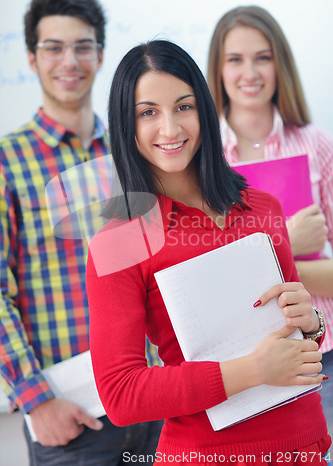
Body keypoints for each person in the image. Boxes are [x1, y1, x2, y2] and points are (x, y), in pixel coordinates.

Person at [86, 40, 331, 465]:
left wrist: (311, 321)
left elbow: (300, 342)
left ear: (204, 109)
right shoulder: (119, 241)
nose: (170, 128)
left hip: (304, 443)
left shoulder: (263, 207)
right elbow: (121, 394)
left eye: (184, 107)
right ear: (126, 125)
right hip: (207, 454)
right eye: (148, 113)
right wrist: (253, 371)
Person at [0, 0, 162, 466]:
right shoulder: (7, 161)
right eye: (53, 47)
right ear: (31, 57)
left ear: (100, 54)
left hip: (155, 400)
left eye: (82, 46)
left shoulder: (134, 150)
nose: (69, 60)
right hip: (73, 418)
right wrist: (35, 400)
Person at [207, 5, 333, 436]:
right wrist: (288, 241)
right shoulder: (201, 159)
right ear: (217, 70)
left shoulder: (316, 144)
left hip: (322, 351)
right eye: (235, 59)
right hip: (241, 365)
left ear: (280, 63)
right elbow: (209, 280)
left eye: (262, 57)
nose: (250, 72)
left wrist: (264, 256)